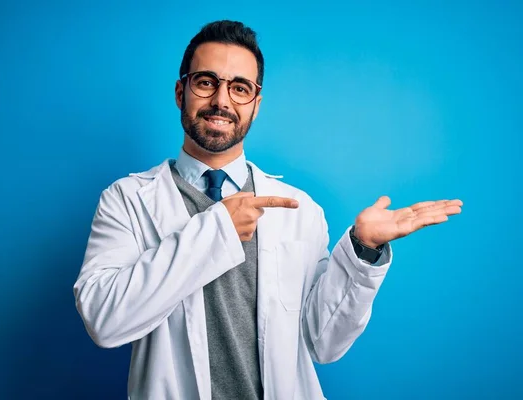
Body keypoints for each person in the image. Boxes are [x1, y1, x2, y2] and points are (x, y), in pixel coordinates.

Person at [73, 20, 463, 399]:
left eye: (240, 88)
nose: (221, 101)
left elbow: (322, 342)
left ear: (256, 105)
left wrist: (363, 249)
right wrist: (219, 228)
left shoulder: (299, 209)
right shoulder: (126, 200)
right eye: (206, 82)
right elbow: (104, 321)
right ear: (181, 93)